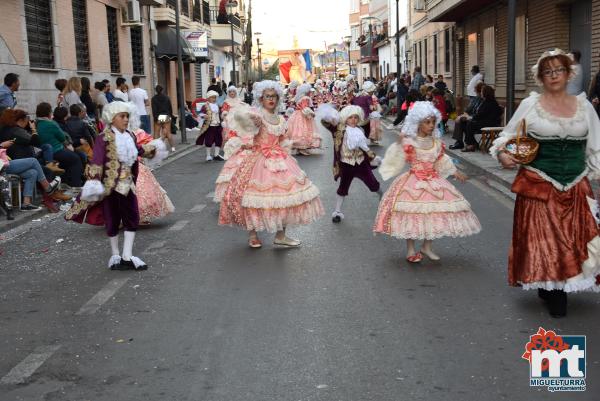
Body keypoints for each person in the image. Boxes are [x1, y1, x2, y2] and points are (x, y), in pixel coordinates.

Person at [490, 48, 600, 317]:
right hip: (539, 181)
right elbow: (507, 136)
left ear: (568, 73)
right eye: (548, 71)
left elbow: (595, 146)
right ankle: (554, 291)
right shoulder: (531, 105)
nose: (554, 76)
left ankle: (556, 284)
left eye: (559, 70)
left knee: (574, 239)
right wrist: (503, 153)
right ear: (540, 77)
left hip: (575, 182)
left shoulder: (585, 107)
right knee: (547, 239)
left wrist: (594, 172)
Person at [217, 80, 324, 248]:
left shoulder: (280, 119)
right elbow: (240, 121)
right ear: (261, 99)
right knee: (253, 198)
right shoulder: (257, 116)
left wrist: (286, 150)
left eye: (273, 96)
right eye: (267, 96)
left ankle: (281, 235)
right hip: (259, 159)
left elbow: (282, 140)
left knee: (285, 197)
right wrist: (251, 121)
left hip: (280, 159)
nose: (271, 99)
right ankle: (253, 234)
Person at [374, 101, 480, 262]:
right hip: (413, 182)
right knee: (412, 214)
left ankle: (426, 247)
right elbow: (398, 157)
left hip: (433, 181)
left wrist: (455, 171)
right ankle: (410, 249)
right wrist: (400, 144)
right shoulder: (411, 142)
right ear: (418, 123)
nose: (431, 126)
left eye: (433, 122)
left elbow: (441, 159)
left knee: (432, 214)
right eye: (427, 122)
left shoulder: (436, 143)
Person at [65, 101, 166, 270]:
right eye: (122, 116)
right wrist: (94, 182)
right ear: (112, 118)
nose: (126, 119)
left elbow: (139, 151)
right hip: (109, 187)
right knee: (111, 219)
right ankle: (115, 255)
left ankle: (127, 256)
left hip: (127, 185)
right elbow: (96, 160)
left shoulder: (130, 135)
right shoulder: (103, 138)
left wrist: (155, 147)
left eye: (127, 116)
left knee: (132, 217)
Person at [317, 104, 381, 223]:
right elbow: (325, 123)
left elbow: (365, 147)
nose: (353, 120)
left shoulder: (360, 130)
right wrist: (329, 116)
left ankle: (383, 198)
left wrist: (373, 157)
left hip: (361, 163)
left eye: (356, 117)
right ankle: (337, 212)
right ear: (345, 118)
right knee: (343, 188)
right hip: (346, 164)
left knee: (373, 184)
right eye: (350, 117)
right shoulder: (338, 129)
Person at [131, 115, 174, 224]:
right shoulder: (112, 134)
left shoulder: (137, 132)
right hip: (120, 168)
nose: (125, 119)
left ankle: (140, 216)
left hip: (136, 165)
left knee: (141, 190)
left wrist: (161, 139)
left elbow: (148, 147)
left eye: (126, 116)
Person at [0, 137, 61, 211]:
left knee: (32, 173)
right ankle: (47, 187)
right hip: (2, 166)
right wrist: (2, 145)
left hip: (4, 164)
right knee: (33, 161)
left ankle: (26, 203)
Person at [36, 102, 84, 189]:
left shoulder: (37, 123)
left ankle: (66, 183)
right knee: (76, 159)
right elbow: (62, 137)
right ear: (49, 113)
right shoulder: (51, 123)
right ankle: (76, 186)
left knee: (70, 159)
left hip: (46, 152)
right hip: (56, 150)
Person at [462, 85, 503, 152]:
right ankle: (473, 143)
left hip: (490, 123)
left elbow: (481, 114)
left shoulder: (490, 102)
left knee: (470, 124)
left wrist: (471, 118)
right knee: (464, 122)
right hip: (484, 122)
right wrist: (470, 118)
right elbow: (480, 114)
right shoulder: (486, 101)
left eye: (482, 91)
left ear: (485, 93)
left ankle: (471, 144)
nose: (481, 93)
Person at [287, 83, 321, 155]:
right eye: (309, 91)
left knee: (297, 130)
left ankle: (299, 147)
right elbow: (305, 108)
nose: (310, 92)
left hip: (297, 114)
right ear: (306, 91)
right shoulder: (306, 98)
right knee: (304, 130)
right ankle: (302, 147)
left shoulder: (299, 98)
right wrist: (311, 114)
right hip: (303, 115)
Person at [449, 81, 484, 149]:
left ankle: (471, 143)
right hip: (471, 118)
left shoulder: (484, 100)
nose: (474, 90)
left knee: (465, 123)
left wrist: (466, 117)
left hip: (477, 121)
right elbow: (467, 110)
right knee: (460, 120)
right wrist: (462, 116)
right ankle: (459, 142)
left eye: (475, 89)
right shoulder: (475, 99)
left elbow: (480, 114)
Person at [195, 91, 224, 161]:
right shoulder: (205, 106)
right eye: (212, 97)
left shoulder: (218, 105)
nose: (214, 99)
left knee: (219, 139)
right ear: (208, 98)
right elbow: (200, 113)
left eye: (215, 97)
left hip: (218, 125)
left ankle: (216, 155)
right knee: (209, 140)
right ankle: (208, 155)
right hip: (209, 125)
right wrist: (204, 115)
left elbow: (221, 114)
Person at [151, 85, 175, 150]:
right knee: (168, 132)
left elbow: (154, 109)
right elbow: (170, 108)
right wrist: (170, 116)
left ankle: (157, 148)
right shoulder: (167, 98)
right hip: (166, 116)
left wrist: (156, 118)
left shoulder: (153, 99)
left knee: (156, 133)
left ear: (156, 90)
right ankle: (172, 148)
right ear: (162, 90)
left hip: (158, 117)